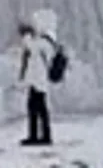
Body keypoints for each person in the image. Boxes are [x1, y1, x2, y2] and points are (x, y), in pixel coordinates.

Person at [17, 9, 62, 146]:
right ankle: (39, 135)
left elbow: (31, 47)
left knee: (37, 108)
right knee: (37, 108)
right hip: (37, 80)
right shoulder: (47, 42)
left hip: (39, 81)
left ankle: (39, 136)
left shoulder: (43, 43)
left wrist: (25, 35)